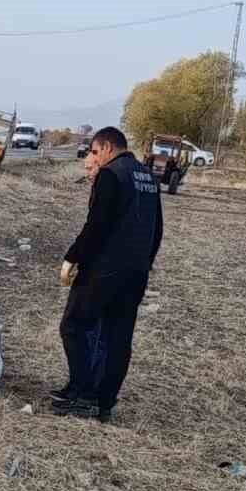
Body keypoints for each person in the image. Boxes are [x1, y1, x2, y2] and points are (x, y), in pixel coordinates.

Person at [53, 125, 163, 423]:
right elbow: (157, 230)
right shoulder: (148, 177)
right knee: (117, 337)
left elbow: (97, 225)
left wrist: (73, 257)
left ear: (107, 148)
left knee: (74, 325)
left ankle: (83, 393)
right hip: (136, 272)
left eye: (94, 152)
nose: (94, 158)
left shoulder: (111, 174)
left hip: (105, 270)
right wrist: (144, 263)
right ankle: (104, 401)